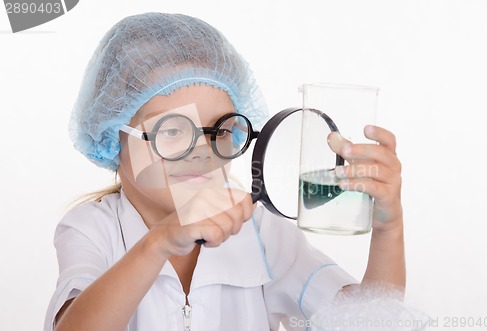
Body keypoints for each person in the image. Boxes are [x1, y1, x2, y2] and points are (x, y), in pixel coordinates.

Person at [45, 12, 405, 331]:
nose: (203, 152)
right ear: (112, 137)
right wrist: (157, 243)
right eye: (172, 131)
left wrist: (389, 228)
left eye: (220, 130)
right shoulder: (92, 229)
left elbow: (372, 323)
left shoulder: (262, 234)